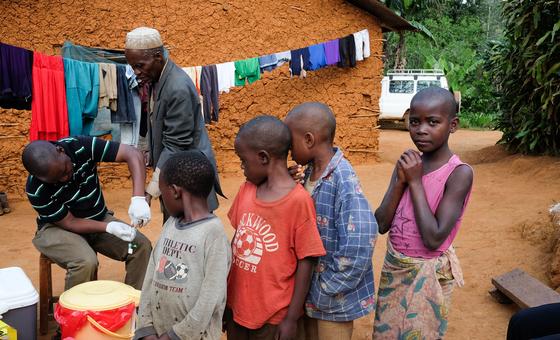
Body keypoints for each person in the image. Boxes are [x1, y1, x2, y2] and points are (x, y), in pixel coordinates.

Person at [373, 87, 474, 339]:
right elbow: (382, 223)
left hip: (427, 273)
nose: (421, 130)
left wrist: (415, 182)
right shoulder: (408, 165)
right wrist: (400, 181)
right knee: (386, 333)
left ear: (453, 125)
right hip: (395, 267)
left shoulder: (459, 173)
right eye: (415, 121)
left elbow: (433, 238)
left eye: (433, 122)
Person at [225, 116, 326, 340]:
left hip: (273, 317)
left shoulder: (298, 201)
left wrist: (290, 318)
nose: (242, 167)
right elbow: (237, 241)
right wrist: (226, 300)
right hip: (238, 308)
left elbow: (306, 260)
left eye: (243, 161)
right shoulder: (246, 191)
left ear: (263, 158)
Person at [284, 103, 378, 340]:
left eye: (289, 141)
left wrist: (328, 287)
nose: (287, 148)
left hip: (334, 302)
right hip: (311, 295)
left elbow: (361, 240)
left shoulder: (343, 179)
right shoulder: (308, 173)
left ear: (308, 140)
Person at [22, 136, 152, 291]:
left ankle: (134, 306)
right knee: (85, 262)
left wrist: (138, 198)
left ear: (61, 150)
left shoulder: (80, 146)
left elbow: (132, 153)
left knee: (139, 246)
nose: (65, 178)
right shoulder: (36, 189)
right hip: (57, 229)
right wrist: (108, 227)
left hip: (97, 218)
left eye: (64, 170)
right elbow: (70, 222)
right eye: (56, 180)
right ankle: (75, 313)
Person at [124, 27, 223, 220]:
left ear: (158, 58)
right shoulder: (156, 79)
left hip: (190, 181)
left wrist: (150, 192)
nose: (136, 73)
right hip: (174, 176)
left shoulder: (177, 88)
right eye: (132, 67)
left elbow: (176, 145)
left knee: (191, 237)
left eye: (140, 66)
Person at [135, 151, 231, 340]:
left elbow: (210, 298)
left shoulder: (213, 234)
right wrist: (146, 327)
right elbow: (151, 275)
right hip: (159, 332)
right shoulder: (170, 225)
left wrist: (175, 335)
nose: (163, 201)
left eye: (162, 195)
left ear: (175, 191)